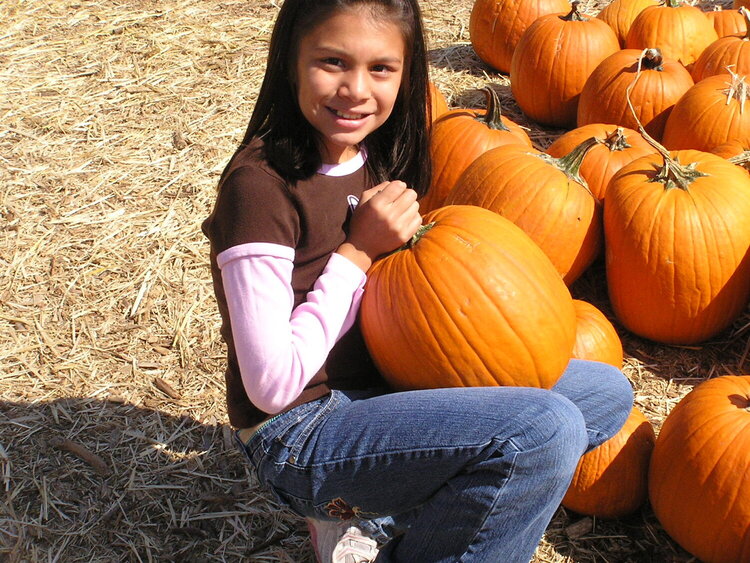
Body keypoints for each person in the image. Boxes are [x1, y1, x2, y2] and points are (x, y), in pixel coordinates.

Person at [202, 0, 634, 561]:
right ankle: (353, 510)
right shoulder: (260, 189)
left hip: (381, 387)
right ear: (290, 62)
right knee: (542, 429)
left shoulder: (372, 155)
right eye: (332, 62)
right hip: (301, 433)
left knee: (602, 394)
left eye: (381, 68)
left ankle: (373, 514)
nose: (356, 89)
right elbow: (270, 386)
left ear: (408, 75)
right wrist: (357, 253)